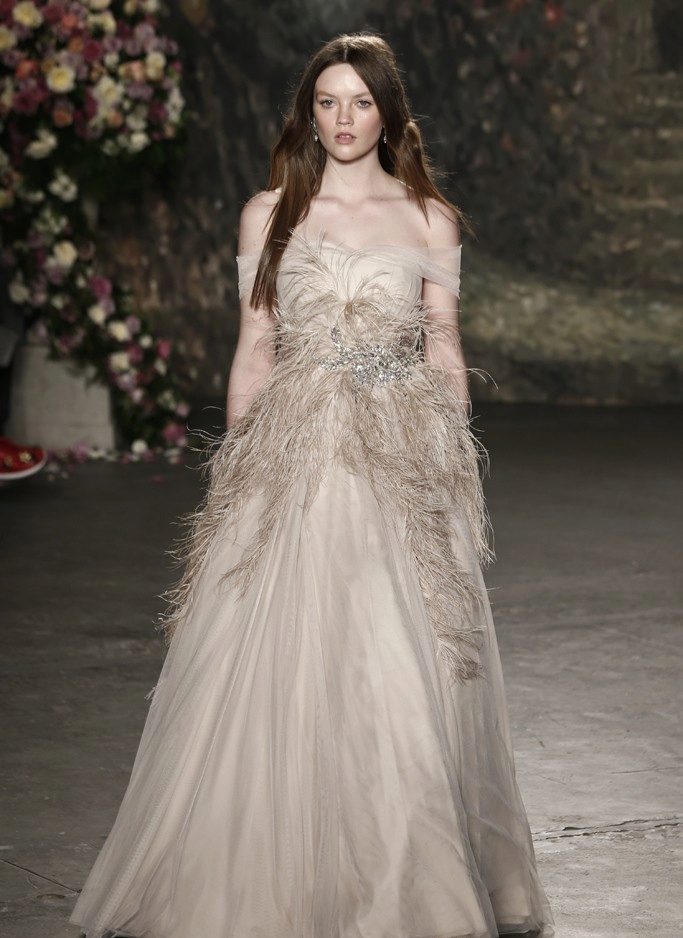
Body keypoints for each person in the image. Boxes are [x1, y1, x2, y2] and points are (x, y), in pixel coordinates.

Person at [69, 32, 555, 938]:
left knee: (395, 654)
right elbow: (255, 347)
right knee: (274, 654)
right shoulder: (269, 215)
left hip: (395, 453)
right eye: (327, 102)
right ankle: (270, 872)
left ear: (387, 114)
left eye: (360, 102)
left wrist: (450, 461)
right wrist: (235, 469)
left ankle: (407, 879)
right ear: (308, 113)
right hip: (294, 451)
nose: (342, 119)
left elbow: (442, 342)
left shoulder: (428, 218)